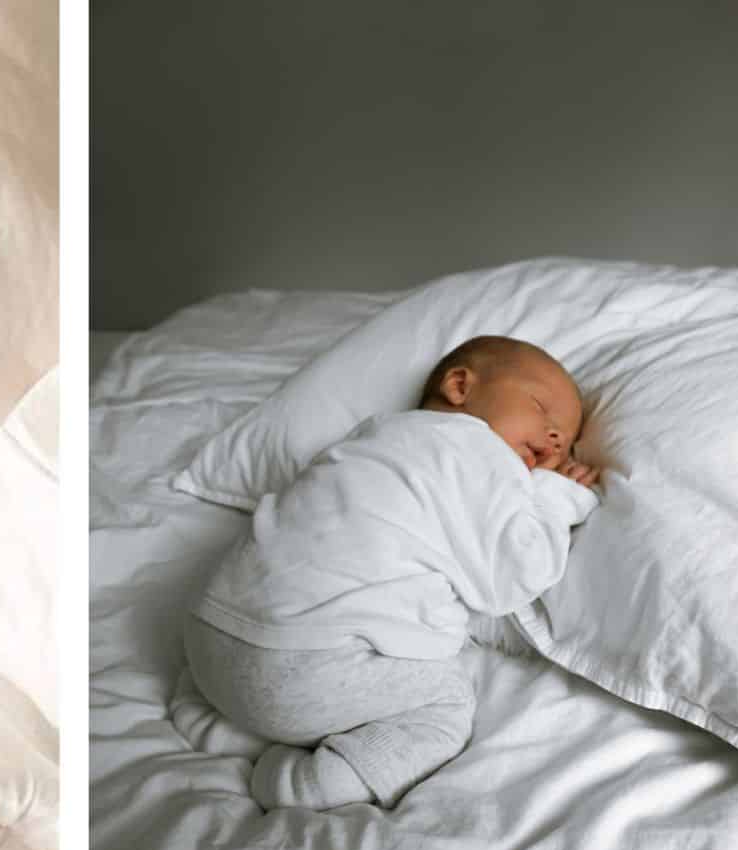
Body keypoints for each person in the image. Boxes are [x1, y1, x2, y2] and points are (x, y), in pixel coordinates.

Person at [173, 335, 601, 810]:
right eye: (542, 409)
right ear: (459, 386)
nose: (558, 437)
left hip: (208, 640)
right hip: (307, 666)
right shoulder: (481, 452)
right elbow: (512, 577)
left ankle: (224, 723)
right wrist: (555, 497)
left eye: (565, 435)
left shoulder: (373, 436)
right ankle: (307, 784)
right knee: (444, 705)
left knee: (283, 652)